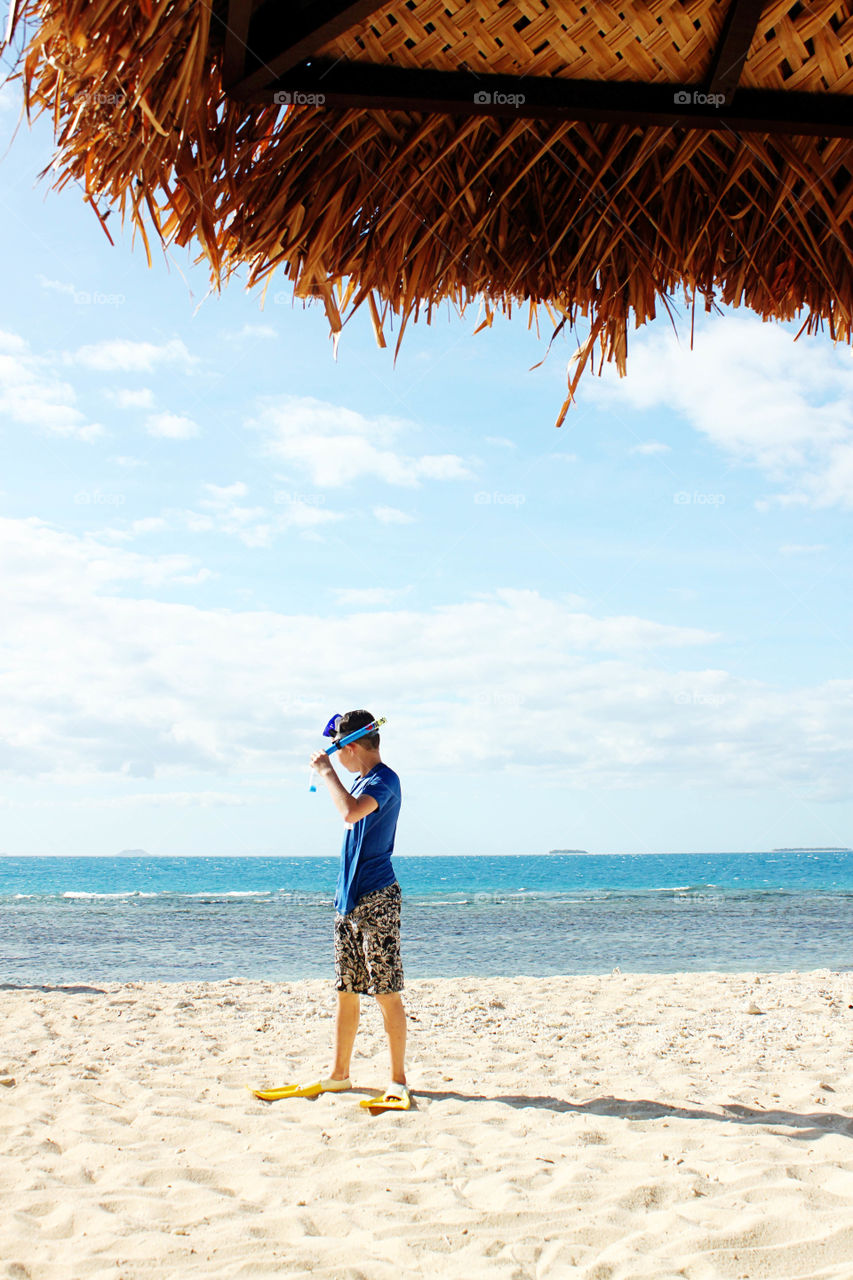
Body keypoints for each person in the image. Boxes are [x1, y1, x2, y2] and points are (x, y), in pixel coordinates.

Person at [305, 710, 408, 1108]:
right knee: (347, 990)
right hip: (348, 900)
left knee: (386, 991)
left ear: (350, 747)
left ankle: (398, 1080)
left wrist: (326, 771)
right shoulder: (362, 781)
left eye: (340, 753)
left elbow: (350, 811)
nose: (339, 764)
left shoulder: (385, 781)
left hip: (377, 898)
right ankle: (339, 1074)